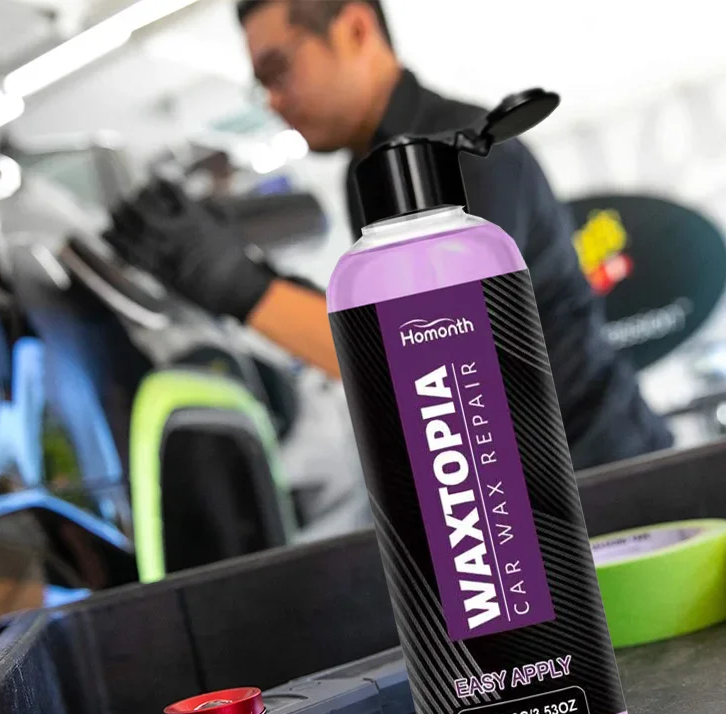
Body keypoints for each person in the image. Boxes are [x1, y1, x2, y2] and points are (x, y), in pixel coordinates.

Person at [105, 0, 672, 470]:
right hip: (517, 482)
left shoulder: (463, 152)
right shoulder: (366, 174)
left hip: (602, 470)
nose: (273, 101)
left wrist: (236, 283)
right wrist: (252, 276)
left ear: (355, 29)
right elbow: (386, 327)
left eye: (278, 71)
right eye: (262, 86)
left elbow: (432, 363)